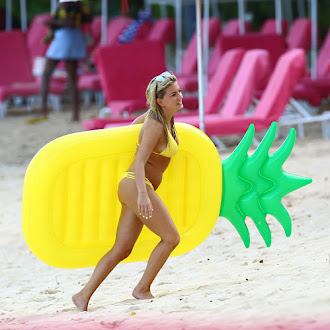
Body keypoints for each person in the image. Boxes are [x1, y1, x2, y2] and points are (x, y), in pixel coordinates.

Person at [72, 71, 184, 312]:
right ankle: (142, 288)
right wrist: (143, 194)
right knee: (171, 238)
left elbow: (133, 127)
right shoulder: (155, 123)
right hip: (136, 184)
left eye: (179, 91)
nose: (180, 96)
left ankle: (82, 295)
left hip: (135, 185)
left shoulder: (162, 118)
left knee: (122, 248)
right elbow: (141, 160)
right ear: (161, 100)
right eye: (174, 94)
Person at [38, 0, 92, 122]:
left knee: (46, 73)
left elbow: (70, 22)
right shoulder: (80, 6)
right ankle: (75, 114)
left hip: (64, 38)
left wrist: (51, 22)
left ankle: (43, 110)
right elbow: (85, 19)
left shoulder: (66, 5)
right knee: (72, 78)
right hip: (75, 38)